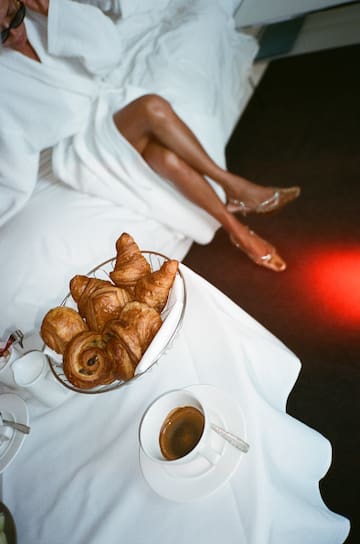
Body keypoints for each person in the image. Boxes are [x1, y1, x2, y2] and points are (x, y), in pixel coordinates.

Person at [0, 0, 300, 271]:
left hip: (105, 113)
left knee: (165, 156)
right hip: (74, 150)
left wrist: (49, 8)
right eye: (1, 34)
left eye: (14, 16)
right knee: (152, 107)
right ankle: (233, 185)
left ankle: (238, 232)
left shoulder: (41, 17)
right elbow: (14, 164)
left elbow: (107, 52)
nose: (13, 34)